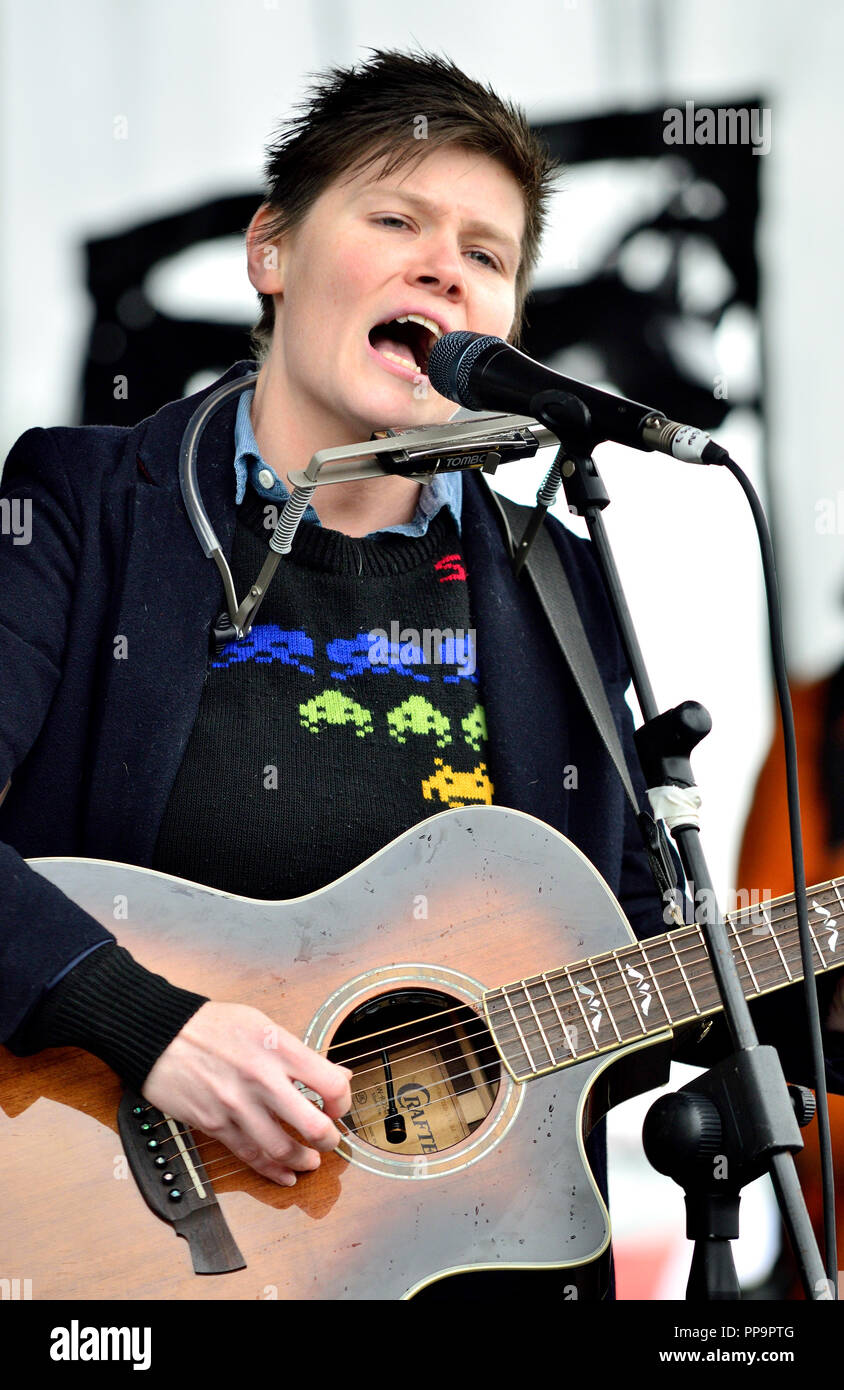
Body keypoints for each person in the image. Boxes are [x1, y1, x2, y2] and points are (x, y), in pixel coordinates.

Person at [1, 47, 842, 1298]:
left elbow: (646, 957)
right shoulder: (83, 505)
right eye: (395, 217)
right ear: (269, 254)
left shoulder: (560, 577)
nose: (446, 263)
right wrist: (148, 1025)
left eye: (489, 254)